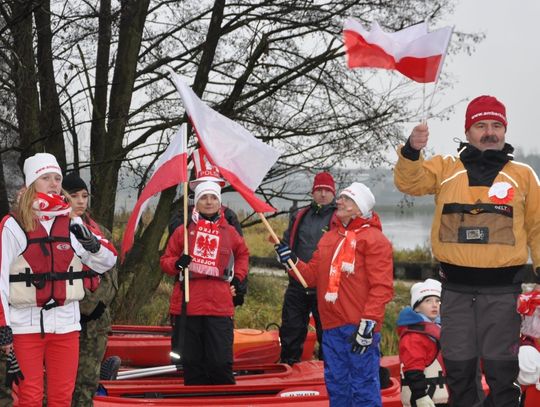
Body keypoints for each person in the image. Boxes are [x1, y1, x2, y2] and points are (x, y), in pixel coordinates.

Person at [394, 95, 540, 407]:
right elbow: (410, 182)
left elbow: (538, 227)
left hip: (503, 294)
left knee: (502, 374)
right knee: (459, 372)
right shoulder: (446, 168)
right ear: (468, 130)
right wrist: (412, 150)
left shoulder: (523, 175)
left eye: (497, 125)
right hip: (455, 292)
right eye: (481, 125)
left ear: (505, 130)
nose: (490, 132)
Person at [0, 153, 117, 407]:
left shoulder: (72, 222)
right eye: (46, 178)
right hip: (25, 326)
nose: (54, 183)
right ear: (32, 184)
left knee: (62, 398)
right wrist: (4, 327)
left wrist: (91, 243)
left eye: (57, 178)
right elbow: (0, 282)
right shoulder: (13, 225)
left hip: (66, 325)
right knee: (29, 398)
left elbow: (107, 261)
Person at [275, 182, 394, 406]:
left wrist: (368, 324)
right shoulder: (329, 238)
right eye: (340, 198)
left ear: (359, 208)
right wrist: (291, 260)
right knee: (337, 385)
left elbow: (382, 287)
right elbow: (310, 277)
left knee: (363, 385)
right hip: (330, 327)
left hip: (359, 327)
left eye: (346, 199)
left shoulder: (375, 240)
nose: (339, 201)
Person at [160, 181, 249, 385]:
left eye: (213, 198)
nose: (209, 202)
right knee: (192, 364)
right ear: (196, 202)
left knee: (220, 363)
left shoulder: (229, 231)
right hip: (190, 304)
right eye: (204, 198)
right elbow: (165, 261)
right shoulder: (183, 230)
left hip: (219, 305)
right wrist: (177, 263)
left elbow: (243, 254)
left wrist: (238, 277)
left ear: (220, 202)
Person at [61, 172, 118, 406]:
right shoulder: (50, 232)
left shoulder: (99, 231)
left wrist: (96, 305)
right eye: (74, 196)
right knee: (58, 383)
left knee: (86, 382)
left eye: (84, 195)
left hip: (95, 322)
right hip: (62, 318)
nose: (81, 201)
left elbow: (112, 276)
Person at [279, 171, 337, 365]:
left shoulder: (340, 217)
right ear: (313, 192)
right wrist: (282, 253)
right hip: (297, 282)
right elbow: (288, 242)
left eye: (327, 190)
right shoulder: (299, 215)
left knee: (327, 332)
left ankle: (326, 371)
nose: (322, 194)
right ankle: (289, 366)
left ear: (333, 193)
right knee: (291, 329)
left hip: (326, 286)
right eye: (319, 190)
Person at [397, 278, 447, 407]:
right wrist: (420, 395)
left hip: (441, 397)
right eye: (428, 301)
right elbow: (413, 368)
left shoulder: (442, 328)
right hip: (424, 398)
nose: (434, 305)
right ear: (417, 307)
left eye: (438, 301)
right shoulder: (414, 336)